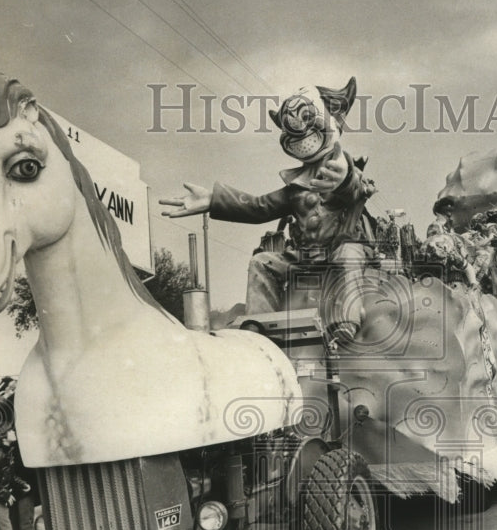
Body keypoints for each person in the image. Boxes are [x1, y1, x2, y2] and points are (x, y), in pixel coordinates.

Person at [160, 78, 376, 344]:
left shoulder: (346, 169)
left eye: (307, 117)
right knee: (262, 262)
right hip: (306, 258)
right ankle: (260, 325)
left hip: (342, 247)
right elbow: (259, 207)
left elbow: (352, 188)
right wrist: (214, 200)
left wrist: (344, 176)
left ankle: (346, 319)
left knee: (349, 255)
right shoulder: (296, 187)